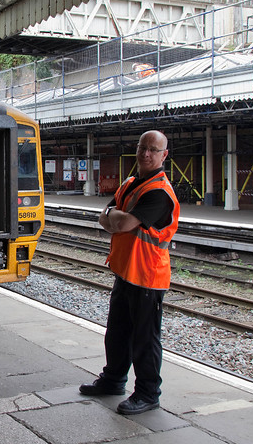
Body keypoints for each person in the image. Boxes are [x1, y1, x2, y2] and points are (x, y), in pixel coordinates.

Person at [79, 130, 180, 415]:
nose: (146, 154)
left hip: (147, 275)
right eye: (142, 147)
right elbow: (108, 216)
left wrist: (115, 218)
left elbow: (120, 223)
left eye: (153, 149)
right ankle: (113, 380)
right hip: (125, 271)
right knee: (117, 332)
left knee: (145, 340)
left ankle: (148, 393)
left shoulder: (159, 192)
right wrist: (116, 217)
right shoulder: (131, 182)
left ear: (164, 155)